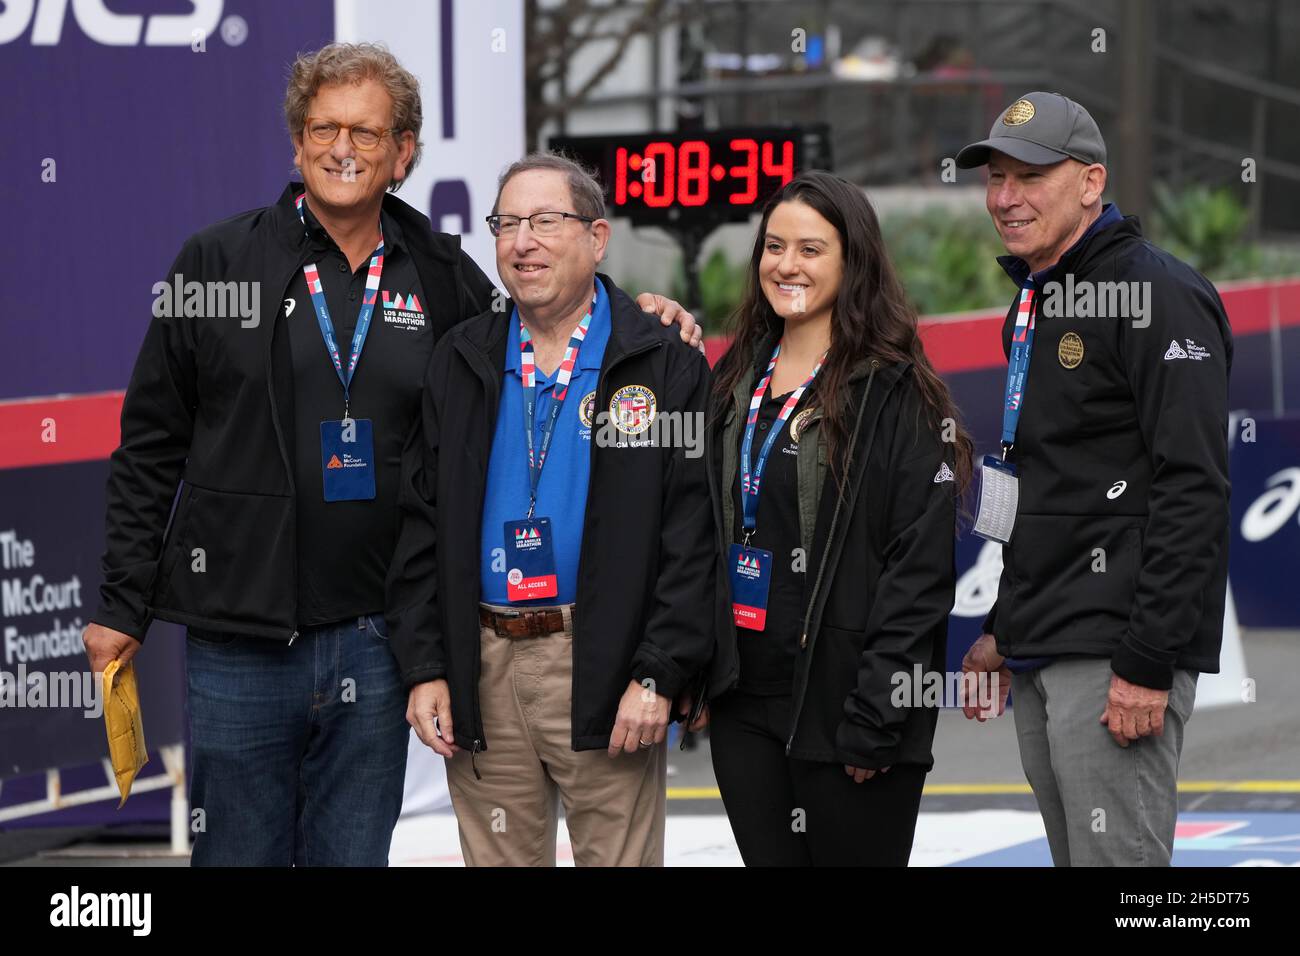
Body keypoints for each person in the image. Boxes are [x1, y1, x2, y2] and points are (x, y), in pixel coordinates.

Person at [81, 43, 698, 867]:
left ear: (402, 152)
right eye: (323, 128)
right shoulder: (216, 264)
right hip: (239, 639)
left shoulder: (445, 275)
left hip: (376, 642)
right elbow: (151, 444)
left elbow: (546, 322)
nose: (343, 147)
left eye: (366, 133)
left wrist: (644, 317)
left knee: (351, 858)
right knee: (235, 855)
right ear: (296, 144)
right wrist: (122, 602)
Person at [385, 153, 715, 867]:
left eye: (544, 221)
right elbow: (420, 525)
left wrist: (658, 672)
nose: (522, 241)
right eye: (506, 224)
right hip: (483, 667)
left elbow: (693, 537)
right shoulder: (461, 359)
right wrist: (425, 667)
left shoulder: (660, 360)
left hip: (604, 662)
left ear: (597, 238)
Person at [955, 92, 1233, 866]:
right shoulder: (1038, 299)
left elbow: (1194, 488)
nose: (1005, 199)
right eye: (996, 179)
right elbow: (1045, 481)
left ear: (1090, 182)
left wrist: (1147, 661)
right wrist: (1003, 628)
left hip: (1116, 653)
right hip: (1045, 642)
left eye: (1030, 178)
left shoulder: (1157, 293)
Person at [697, 170, 969, 866]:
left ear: (854, 263)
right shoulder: (733, 382)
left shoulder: (895, 393)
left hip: (849, 709)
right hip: (743, 708)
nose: (786, 265)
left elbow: (918, 572)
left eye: (811, 249)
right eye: (774, 245)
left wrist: (879, 713)